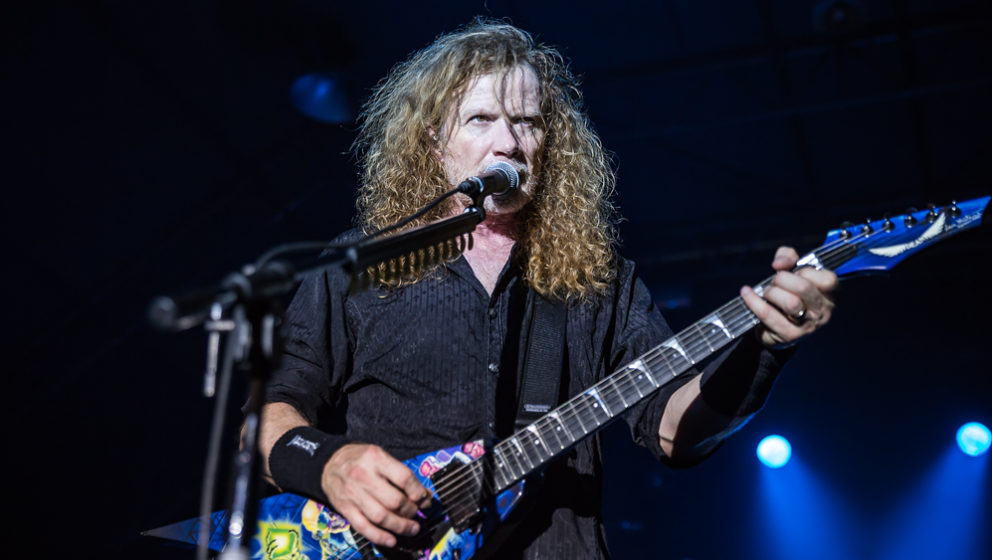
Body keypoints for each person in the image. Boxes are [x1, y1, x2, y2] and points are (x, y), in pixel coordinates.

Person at [257, 20, 837, 559]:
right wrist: (328, 463)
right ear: (434, 141)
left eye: (527, 123)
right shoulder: (362, 263)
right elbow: (268, 417)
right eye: (480, 119)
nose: (508, 142)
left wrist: (763, 349)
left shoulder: (597, 278)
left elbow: (673, 432)